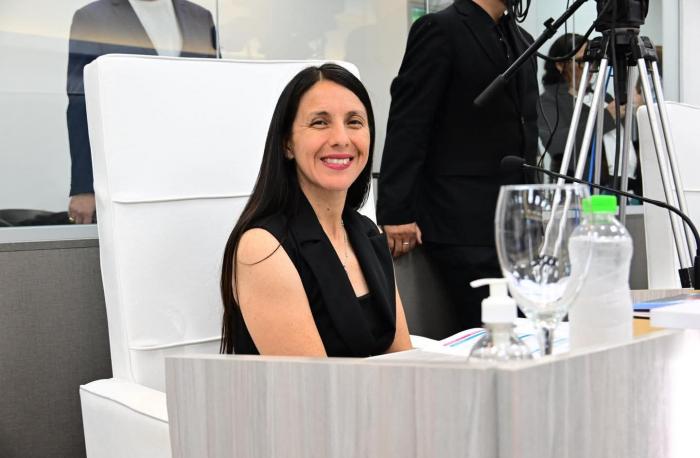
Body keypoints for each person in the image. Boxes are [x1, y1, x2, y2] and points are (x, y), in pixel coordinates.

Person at [220, 64, 412, 357]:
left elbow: (404, 360)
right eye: (320, 123)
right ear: (287, 144)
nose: (341, 138)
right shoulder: (264, 247)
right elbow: (312, 384)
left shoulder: (367, 233)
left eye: (354, 122)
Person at [376, 0, 539, 330]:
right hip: (460, 220)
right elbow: (410, 121)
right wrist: (396, 210)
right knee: (492, 330)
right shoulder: (440, 30)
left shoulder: (522, 39)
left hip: (518, 221)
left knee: (531, 329)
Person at [66, 0, 217, 224]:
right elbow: (81, 104)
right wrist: (85, 187)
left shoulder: (201, 17)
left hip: (195, 175)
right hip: (128, 180)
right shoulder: (92, 17)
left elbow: (215, 96)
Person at [538, 33, 640, 192]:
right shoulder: (548, 101)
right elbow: (557, 145)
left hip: (626, 187)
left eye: (593, 61)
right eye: (582, 62)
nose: (590, 68)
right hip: (583, 190)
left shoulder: (603, 97)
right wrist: (607, 117)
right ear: (560, 65)